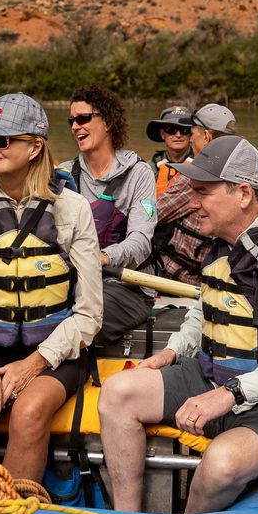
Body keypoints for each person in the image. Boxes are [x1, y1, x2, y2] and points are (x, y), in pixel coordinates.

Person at [98, 136, 258, 514]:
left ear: (244, 194)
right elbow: (206, 310)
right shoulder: (223, 239)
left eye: (202, 192)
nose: (192, 203)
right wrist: (173, 351)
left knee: (222, 462)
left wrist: (231, 393)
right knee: (119, 393)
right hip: (216, 379)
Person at [0, 93, 102, 483]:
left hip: (54, 352)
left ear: (35, 147)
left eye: (2, 140)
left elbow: (89, 313)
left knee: (30, 410)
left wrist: (35, 363)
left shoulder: (74, 209)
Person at [60, 84, 157, 346]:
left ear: (108, 122)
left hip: (126, 286)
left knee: (77, 319)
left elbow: (140, 240)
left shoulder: (140, 174)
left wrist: (103, 257)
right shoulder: (62, 174)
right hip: (74, 280)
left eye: (83, 119)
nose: (75, 127)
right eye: (72, 120)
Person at [152, 102, 237, 287]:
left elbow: (151, 217)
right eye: (171, 130)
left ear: (206, 136)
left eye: (191, 134)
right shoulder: (242, 171)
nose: (187, 139)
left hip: (179, 278)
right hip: (216, 272)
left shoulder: (191, 177)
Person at [146, 105, 193, 199]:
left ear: (191, 134)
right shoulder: (151, 167)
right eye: (171, 129)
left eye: (184, 129)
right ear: (162, 134)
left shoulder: (202, 164)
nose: (178, 135)